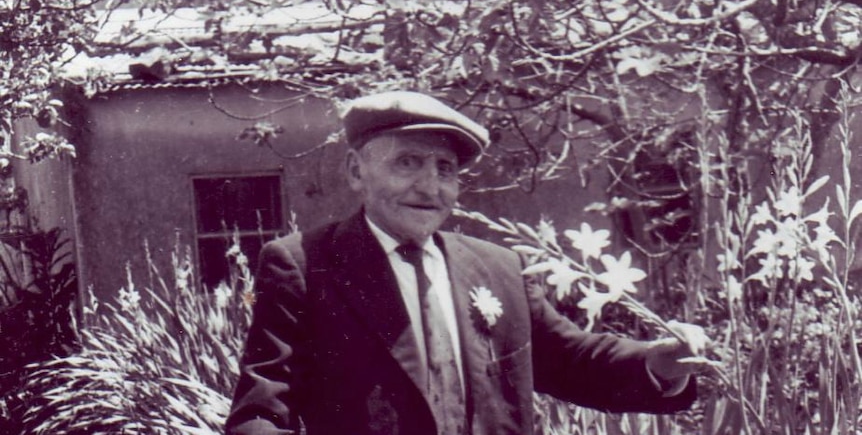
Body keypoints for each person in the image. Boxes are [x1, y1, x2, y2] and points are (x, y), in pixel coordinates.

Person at [225, 90, 709, 435]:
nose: (430, 187)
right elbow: (261, 412)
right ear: (357, 171)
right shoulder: (306, 265)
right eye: (407, 163)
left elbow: (572, 360)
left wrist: (660, 362)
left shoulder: (501, 269)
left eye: (445, 170)